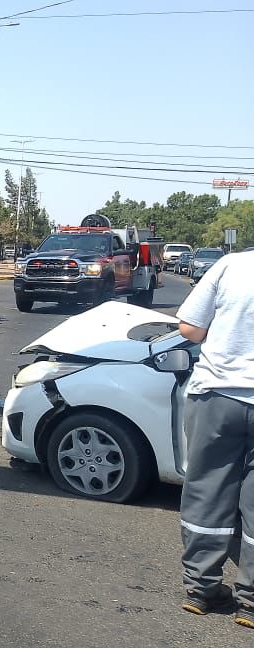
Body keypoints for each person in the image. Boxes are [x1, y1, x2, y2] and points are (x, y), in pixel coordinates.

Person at [174, 249, 254, 630]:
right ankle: (251, 603)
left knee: (206, 490)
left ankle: (201, 589)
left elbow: (190, 328)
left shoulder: (231, 265)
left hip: (217, 395)